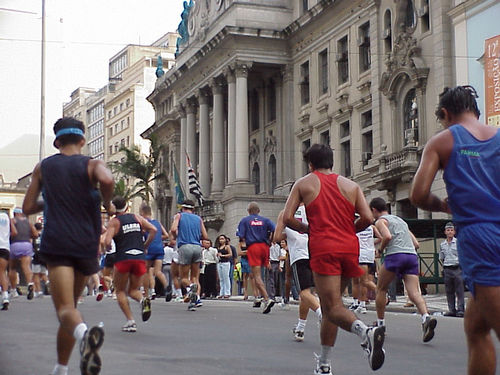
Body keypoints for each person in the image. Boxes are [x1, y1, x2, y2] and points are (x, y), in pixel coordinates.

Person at [409, 85, 500, 375]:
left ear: (446, 114)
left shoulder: (442, 142)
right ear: (476, 110)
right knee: (475, 327)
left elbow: (418, 194)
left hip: (479, 236)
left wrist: (443, 205)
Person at [22, 117, 114, 375]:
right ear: (83, 140)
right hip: (86, 244)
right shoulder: (92, 164)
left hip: (58, 243)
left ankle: (85, 336)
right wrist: (106, 203)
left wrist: (49, 199)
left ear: (57, 141)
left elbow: (27, 207)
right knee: (70, 309)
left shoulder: (44, 167)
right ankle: (61, 368)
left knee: (65, 310)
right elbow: (107, 180)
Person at [282, 143, 385, 374]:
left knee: (333, 307)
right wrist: (349, 229)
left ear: (310, 164)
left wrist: (308, 229)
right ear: (332, 161)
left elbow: (287, 218)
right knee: (331, 307)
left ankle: (365, 332)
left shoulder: (304, 183)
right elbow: (368, 218)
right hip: (350, 246)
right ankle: (324, 364)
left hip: (323, 246)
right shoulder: (352, 185)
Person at [369, 197, 437, 342]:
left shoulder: (381, 221)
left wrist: (381, 250)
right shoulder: (402, 222)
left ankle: (381, 324)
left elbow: (386, 236)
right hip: (411, 256)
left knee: (381, 289)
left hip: (395, 256)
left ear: (374, 210)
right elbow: (416, 244)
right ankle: (425, 317)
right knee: (414, 292)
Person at [104, 196, 157, 332]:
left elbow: (107, 240)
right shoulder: (136, 218)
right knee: (133, 290)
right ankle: (143, 300)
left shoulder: (114, 222)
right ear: (126, 206)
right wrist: (145, 245)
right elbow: (153, 230)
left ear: (114, 208)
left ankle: (131, 321)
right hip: (139, 258)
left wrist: (108, 248)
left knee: (120, 290)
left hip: (123, 258)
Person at [274, 203, 322, 342]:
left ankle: (322, 314)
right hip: (315, 252)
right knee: (309, 293)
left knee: (303, 292)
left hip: (299, 254)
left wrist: (288, 235)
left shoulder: (285, 212)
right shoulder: (314, 210)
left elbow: (277, 237)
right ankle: (300, 328)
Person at [237, 202, 276, 314]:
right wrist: (270, 239)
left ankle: (266, 298)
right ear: (258, 211)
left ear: (248, 211)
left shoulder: (245, 220)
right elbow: (274, 228)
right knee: (264, 273)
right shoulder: (266, 220)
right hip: (265, 247)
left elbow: (241, 236)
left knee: (256, 275)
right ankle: (260, 296)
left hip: (254, 247)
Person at [169, 200, 208, 311]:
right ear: (193, 209)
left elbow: (173, 229)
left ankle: (190, 288)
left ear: (182, 208)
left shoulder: (179, 216)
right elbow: (205, 235)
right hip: (197, 247)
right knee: (195, 277)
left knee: (184, 278)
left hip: (185, 246)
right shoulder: (199, 219)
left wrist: (177, 235)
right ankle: (196, 300)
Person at [139, 205, 169, 300]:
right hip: (159, 248)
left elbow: (142, 233)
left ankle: (147, 294)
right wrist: (157, 239)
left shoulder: (144, 222)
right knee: (158, 271)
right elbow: (166, 235)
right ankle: (167, 286)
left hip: (149, 249)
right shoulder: (157, 222)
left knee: (146, 271)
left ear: (142, 213)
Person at [349, 224, 380, 314]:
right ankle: (362, 304)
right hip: (370, 254)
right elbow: (381, 238)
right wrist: (371, 244)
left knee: (356, 281)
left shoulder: (355, 226)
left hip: (360, 254)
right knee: (364, 281)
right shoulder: (372, 227)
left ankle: (356, 303)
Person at [9, 208, 38, 300]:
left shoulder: (12, 221)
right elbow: (36, 234)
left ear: (14, 214)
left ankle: (13, 290)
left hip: (14, 244)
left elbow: (11, 233)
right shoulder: (28, 222)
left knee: (12, 268)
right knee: (26, 267)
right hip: (26, 244)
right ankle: (30, 283)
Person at [439, 222, 465, 317]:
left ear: (454, 232)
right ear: (445, 232)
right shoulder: (443, 244)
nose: (450, 232)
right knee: (449, 291)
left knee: (459, 290)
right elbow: (441, 257)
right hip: (447, 268)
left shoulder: (458, 242)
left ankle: (461, 309)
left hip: (457, 268)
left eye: (451, 230)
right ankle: (451, 309)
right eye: (448, 230)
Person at [0, 209, 16, 310]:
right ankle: (5, 296)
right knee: (2, 272)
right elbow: (14, 232)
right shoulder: (6, 217)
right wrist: (5, 237)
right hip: (5, 247)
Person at [32, 222, 48, 298]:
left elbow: (31, 245)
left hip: (36, 256)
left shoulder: (34, 235)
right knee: (43, 273)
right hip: (44, 256)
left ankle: (38, 291)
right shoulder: (44, 235)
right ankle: (49, 283)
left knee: (36, 274)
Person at [215, 234, 232, 299]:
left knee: (226, 277)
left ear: (225, 240)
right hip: (219, 263)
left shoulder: (227, 246)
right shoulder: (218, 247)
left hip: (226, 263)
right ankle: (221, 292)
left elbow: (230, 254)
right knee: (221, 278)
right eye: (220, 239)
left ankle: (227, 292)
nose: (221, 240)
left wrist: (223, 256)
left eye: (222, 239)